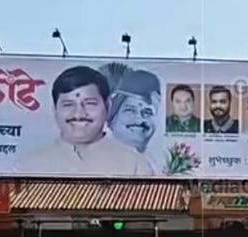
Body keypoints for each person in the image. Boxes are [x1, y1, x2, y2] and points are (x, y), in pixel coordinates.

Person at [19, 66, 152, 176]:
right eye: (68, 104)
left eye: (90, 103)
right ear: (54, 109)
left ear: (107, 107)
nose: (79, 113)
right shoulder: (28, 166)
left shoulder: (135, 165)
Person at [104, 66, 160, 154]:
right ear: (112, 118)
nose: (139, 120)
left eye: (147, 112)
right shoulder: (99, 160)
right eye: (130, 110)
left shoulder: (156, 164)